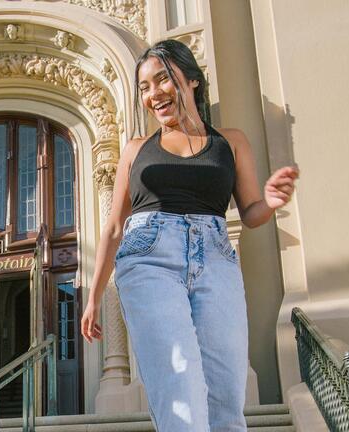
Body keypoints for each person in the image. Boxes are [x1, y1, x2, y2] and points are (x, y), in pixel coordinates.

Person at [80, 39, 299, 431]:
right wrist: (94, 296)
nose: (153, 94)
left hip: (216, 258)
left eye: (162, 80)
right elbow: (114, 226)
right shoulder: (135, 150)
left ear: (192, 80)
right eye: (144, 87)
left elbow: (250, 213)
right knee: (179, 384)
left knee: (225, 395)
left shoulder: (230, 142)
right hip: (150, 258)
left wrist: (269, 199)